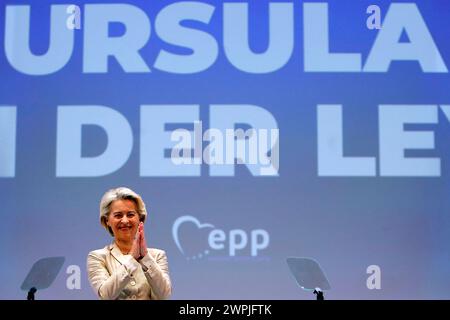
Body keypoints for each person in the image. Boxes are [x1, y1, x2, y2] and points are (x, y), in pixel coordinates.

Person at [87, 187, 172, 300]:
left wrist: (145, 257)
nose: (125, 221)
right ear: (107, 220)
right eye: (118, 215)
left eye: (130, 214)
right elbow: (105, 295)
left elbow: (164, 295)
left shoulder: (157, 255)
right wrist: (132, 259)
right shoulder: (97, 257)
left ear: (140, 218)